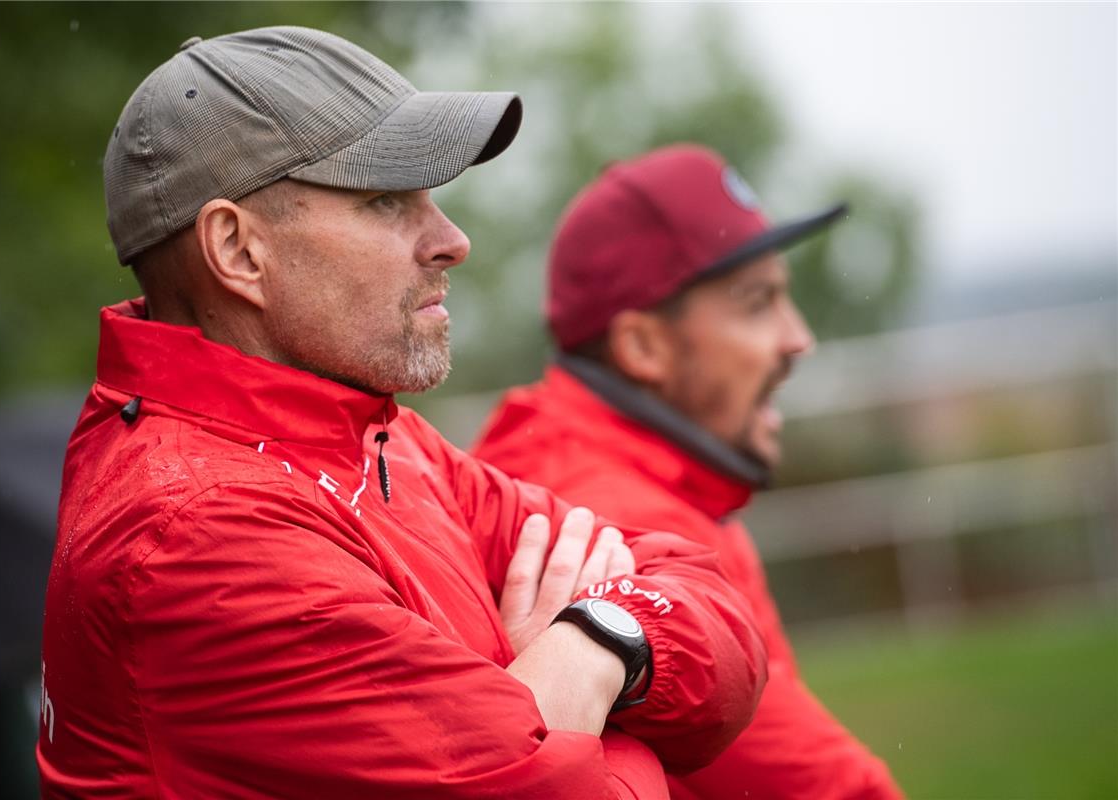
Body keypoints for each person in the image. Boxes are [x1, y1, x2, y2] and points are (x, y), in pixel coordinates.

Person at [38, 29, 768, 799]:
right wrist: (585, 707)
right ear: (239, 251)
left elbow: (707, 606)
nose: (452, 240)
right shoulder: (199, 535)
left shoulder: (374, 439)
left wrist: (586, 646)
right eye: (385, 200)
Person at [473, 145, 904, 799]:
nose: (797, 338)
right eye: (757, 303)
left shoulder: (636, 477)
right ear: (643, 346)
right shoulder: (614, 519)